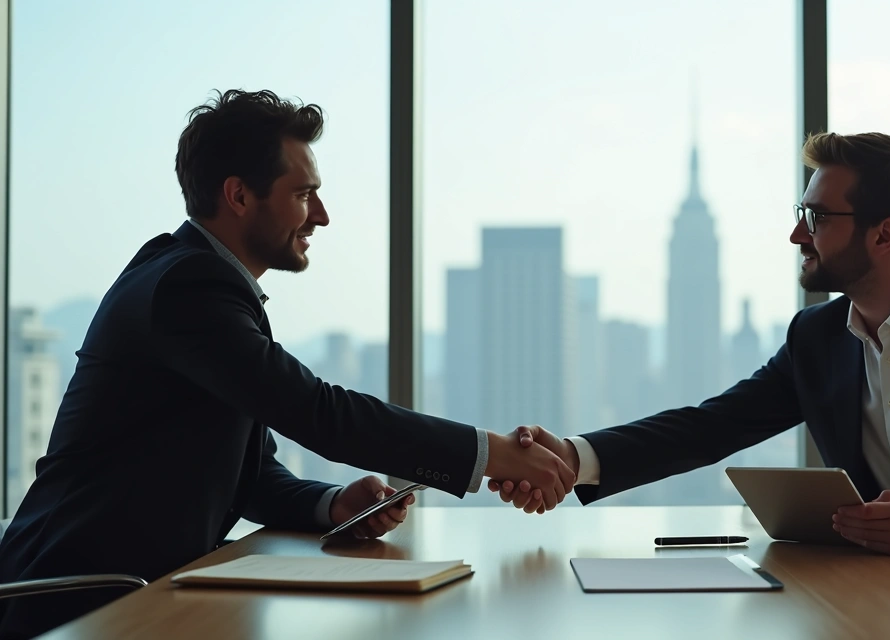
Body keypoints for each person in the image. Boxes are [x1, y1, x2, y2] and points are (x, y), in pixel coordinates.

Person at [0, 89, 574, 639]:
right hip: (71, 603)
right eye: (303, 194)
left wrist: (331, 504)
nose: (321, 216)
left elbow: (247, 470)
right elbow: (317, 411)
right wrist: (489, 453)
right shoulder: (187, 287)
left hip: (139, 597)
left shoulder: (198, 278)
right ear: (239, 196)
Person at [490, 131, 890, 614]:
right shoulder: (819, 336)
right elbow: (711, 425)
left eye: (817, 218)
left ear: (885, 235)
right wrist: (576, 456)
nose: (798, 236)